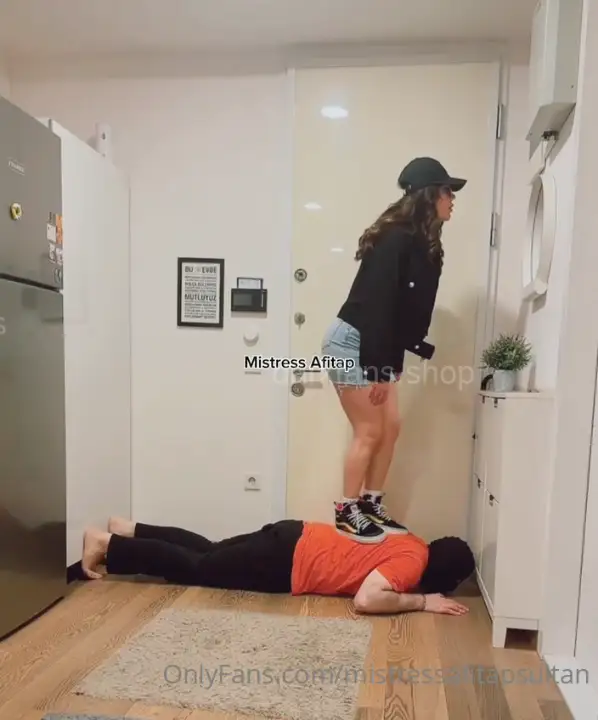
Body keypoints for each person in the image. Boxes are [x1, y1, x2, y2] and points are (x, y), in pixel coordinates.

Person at [321, 157, 467, 542]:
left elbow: (401, 315)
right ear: (430, 195)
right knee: (370, 429)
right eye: (448, 191)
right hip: (353, 341)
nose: (452, 199)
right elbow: (379, 307)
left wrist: (391, 365)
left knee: (392, 426)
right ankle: (346, 510)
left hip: (376, 342)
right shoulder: (396, 239)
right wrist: (378, 371)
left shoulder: (421, 243)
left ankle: (371, 502)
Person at [81, 516, 474, 616]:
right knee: (199, 567)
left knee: (209, 551)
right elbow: (367, 600)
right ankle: (108, 544)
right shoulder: (412, 562)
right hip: (286, 561)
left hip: (294, 533)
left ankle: (127, 529)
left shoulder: (412, 541)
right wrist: (421, 602)